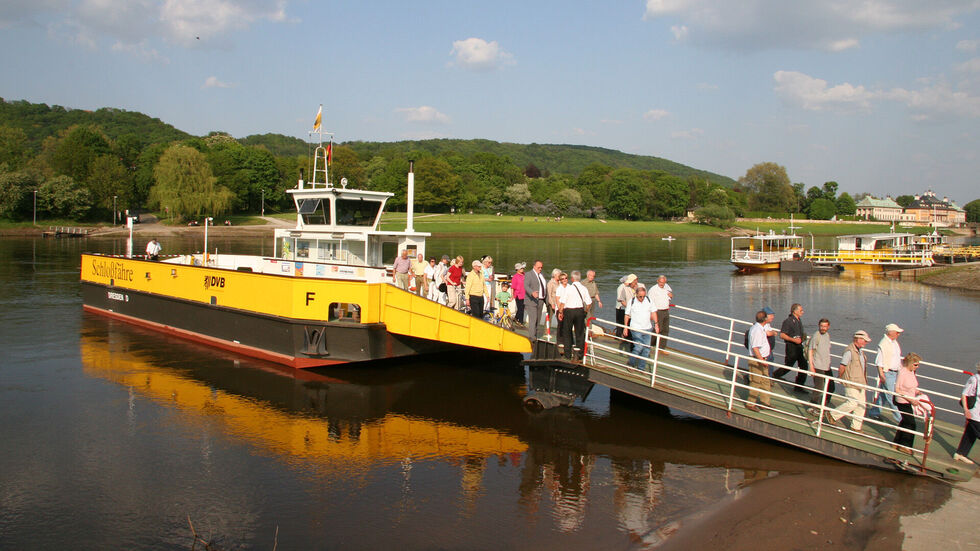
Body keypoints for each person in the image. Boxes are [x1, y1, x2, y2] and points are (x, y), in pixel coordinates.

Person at [826, 330, 872, 432]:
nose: (866, 342)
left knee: (861, 406)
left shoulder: (861, 352)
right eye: (864, 340)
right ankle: (832, 414)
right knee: (852, 403)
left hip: (861, 382)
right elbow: (842, 366)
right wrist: (841, 377)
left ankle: (856, 426)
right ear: (858, 339)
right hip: (851, 381)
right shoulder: (849, 351)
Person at [870, 323, 904, 424]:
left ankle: (874, 412)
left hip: (894, 373)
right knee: (891, 396)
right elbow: (879, 361)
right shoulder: (883, 344)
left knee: (883, 395)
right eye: (897, 332)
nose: (898, 334)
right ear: (891, 332)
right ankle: (900, 420)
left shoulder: (894, 343)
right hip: (887, 373)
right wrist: (881, 375)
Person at [893, 353, 924, 453]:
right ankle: (905, 445)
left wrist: (916, 392)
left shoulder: (912, 372)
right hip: (902, 401)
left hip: (910, 400)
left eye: (918, 365)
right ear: (910, 363)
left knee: (905, 421)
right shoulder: (902, 372)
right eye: (915, 365)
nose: (917, 367)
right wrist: (910, 399)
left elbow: (911, 386)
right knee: (911, 423)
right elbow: (897, 389)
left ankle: (897, 442)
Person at [558, 271, 592, 361]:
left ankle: (567, 354)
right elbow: (589, 303)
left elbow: (562, 303)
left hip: (569, 311)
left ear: (572, 279)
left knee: (567, 333)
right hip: (580, 311)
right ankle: (580, 354)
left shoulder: (568, 289)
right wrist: (585, 312)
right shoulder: (584, 288)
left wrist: (560, 312)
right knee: (580, 333)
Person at [773, 304, 808, 391]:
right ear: (794, 311)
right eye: (801, 310)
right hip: (791, 347)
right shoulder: (788, 321)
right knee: (789, 365)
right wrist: (793, 340)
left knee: (804, 366)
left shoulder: (799, 320)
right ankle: (774, 375)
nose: (802, 312)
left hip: (799, 347)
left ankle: (799, 386)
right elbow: (782, 335)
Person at [622, 284, 656, 371]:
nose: (642, 298)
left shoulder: (648, 300)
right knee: (639, 347)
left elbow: (654, 312)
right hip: (636, 328)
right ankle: (631, 363)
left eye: (643, 296)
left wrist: (656, 323)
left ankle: (641, 368)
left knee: (646, 349)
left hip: (647, 328)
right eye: (640, 296)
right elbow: (627, 315)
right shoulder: (632, 301)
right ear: (636, 294)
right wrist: (625, 327)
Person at [953, 361, 980, 465]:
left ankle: (960, 454)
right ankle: (961, 453)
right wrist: (966, 410)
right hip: (974, 413)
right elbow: (964, 395)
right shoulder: (974, 379)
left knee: (970, 434)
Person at [806, 318, 835, 412]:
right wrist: (811, 366)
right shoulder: (816, 336)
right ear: (819, 326)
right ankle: (813, 405)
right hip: (818, 365)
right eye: (821, 326)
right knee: (819, 386)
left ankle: (823, 404)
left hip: (826, 365)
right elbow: (810, 351)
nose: (823, 328)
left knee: (831, 387)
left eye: (825, 326)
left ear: (828, 327)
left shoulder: (827, 335)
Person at [746, 310, 772, 412]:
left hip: (762, 359)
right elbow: (755, 348)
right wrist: (762, 361)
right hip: (757, 360)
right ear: (765, 319)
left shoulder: (760, 328)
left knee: (765, 380)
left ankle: (765, 403)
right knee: (756, 381)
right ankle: (750, 403)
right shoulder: (756, 330)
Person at [523, 260, 548, 339]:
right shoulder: (528, 274)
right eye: (538, 267)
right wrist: (532, 292)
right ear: (534, 266)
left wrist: (546, 300)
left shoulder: (541, 275)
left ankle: (535, 336)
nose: (540, 269)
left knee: (538, 319)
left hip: (540, 300)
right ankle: (532, 338)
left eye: (541, 267)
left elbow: (544, 287)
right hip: (531, 300)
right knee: (533, 319)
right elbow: (526, 286)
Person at [648, 275, 673, 350]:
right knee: (658, 329)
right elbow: (650, 302)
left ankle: (661, 347)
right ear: (657, 281)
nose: (662, 284)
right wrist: (651, 313)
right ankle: (650, 344)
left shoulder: (666, 288)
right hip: (658, 311)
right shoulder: (653, 290)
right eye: (660, 282)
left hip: (666, 310)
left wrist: (671, 296)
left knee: (665, 329)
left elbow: (669, 296)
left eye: (663, 282)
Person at [616, 274, 638, 350]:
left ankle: (627, 338)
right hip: (621, 307)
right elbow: (620, 299)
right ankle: (621, 337)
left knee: (625, 323)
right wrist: (628, 307)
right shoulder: (622, 288)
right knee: (621, 323)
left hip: (628, 309)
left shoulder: (636, 287)